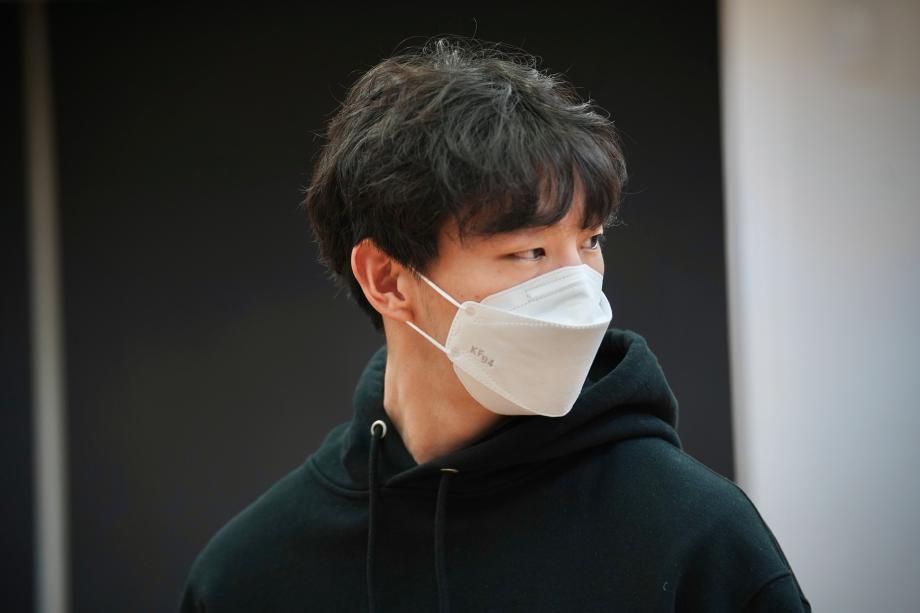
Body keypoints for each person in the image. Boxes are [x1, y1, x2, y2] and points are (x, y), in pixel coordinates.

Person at [178, 37, 810, 612]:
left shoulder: (694, 536)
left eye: (589, 242)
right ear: (388, 280)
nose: (578, 289)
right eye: (529, 251)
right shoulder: (251, 575)